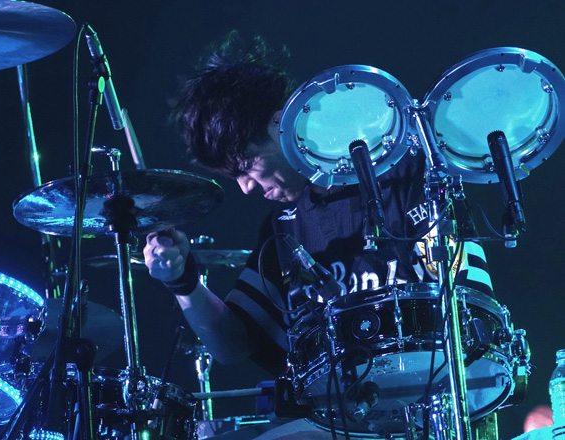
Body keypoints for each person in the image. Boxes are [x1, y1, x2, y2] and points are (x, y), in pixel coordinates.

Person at [143, 32, 494, 437]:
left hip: (446, 406)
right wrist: (183, 281)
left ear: (279, 124)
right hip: (342, 421)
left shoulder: (409, 173)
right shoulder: (283, 227)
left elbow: (476, 317)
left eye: (245, 167)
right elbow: (232, 346)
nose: (245, 188)